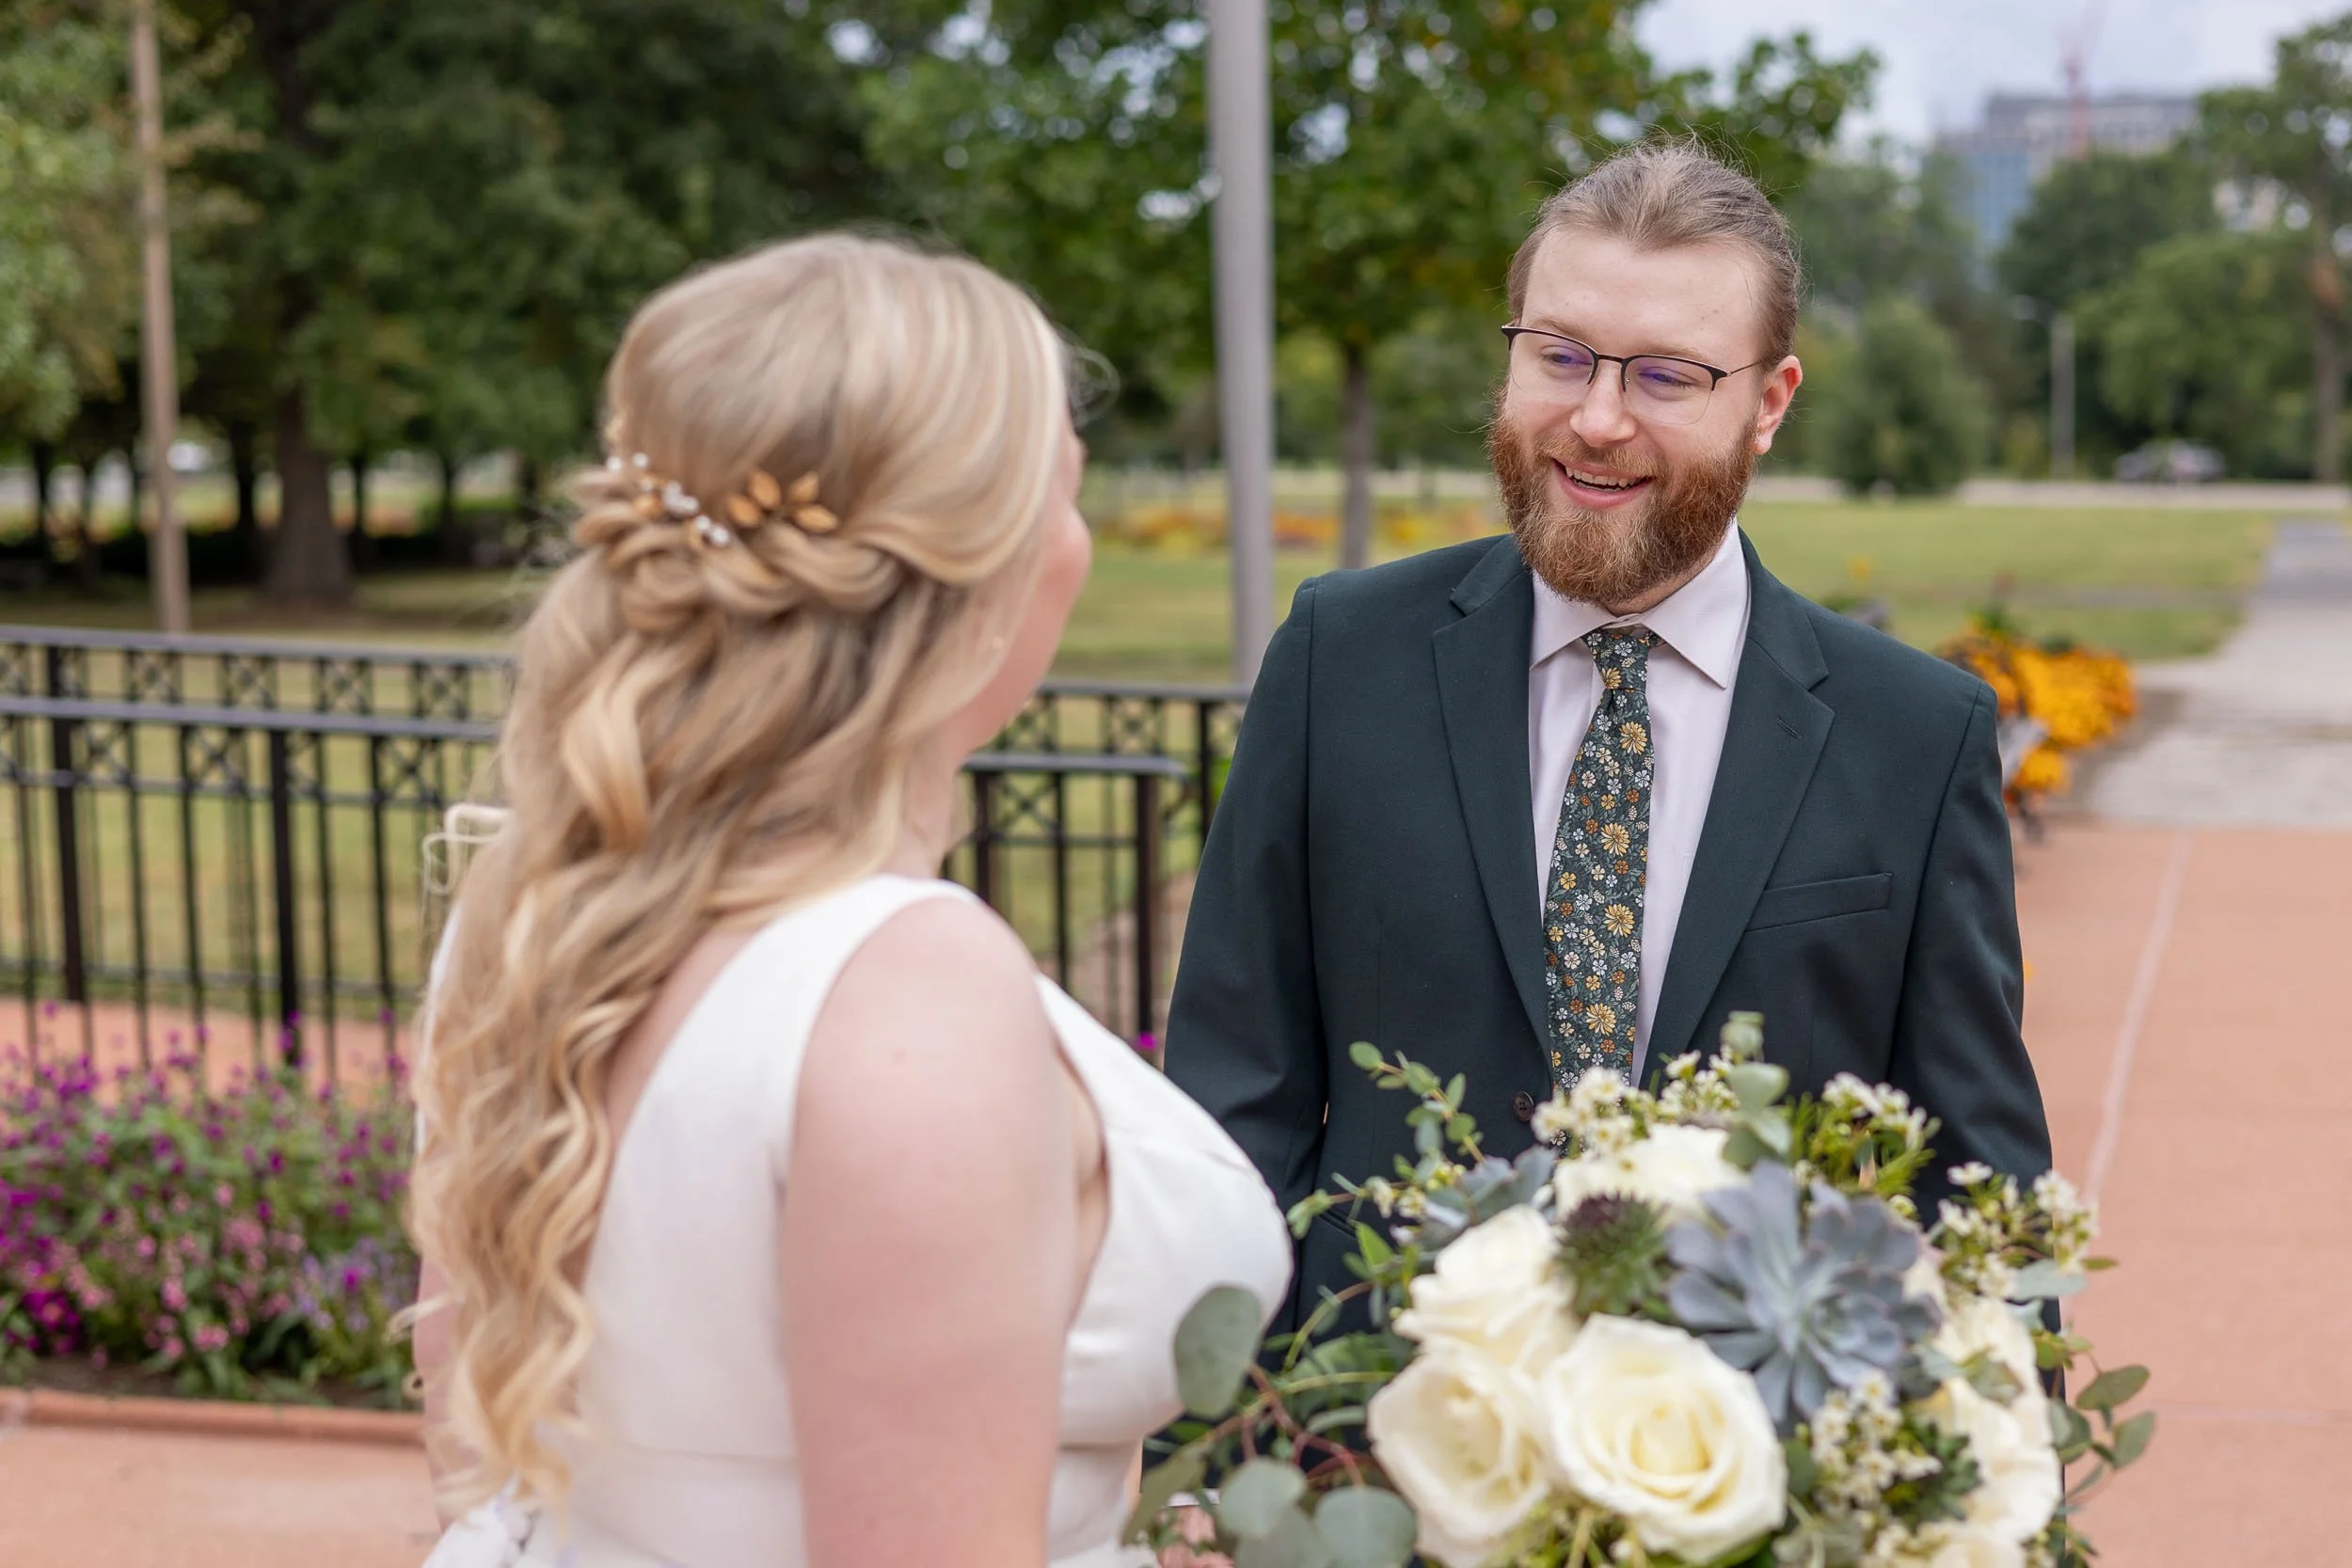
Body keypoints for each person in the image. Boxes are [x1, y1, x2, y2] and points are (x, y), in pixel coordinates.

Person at [407, 235, 1290, 1568]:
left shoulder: (535, 902)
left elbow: (475, 1432)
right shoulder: (908, 990)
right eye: (1065, 492)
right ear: (979, 572)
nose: (1081, 541)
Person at [1167, 140, 2054, 1338]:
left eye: (1664, 377)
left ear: (1769, 404)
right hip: (1367, 1470)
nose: (1593, 420)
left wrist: (2003, 1502)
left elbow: (1976, 1187)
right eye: (1561, 356)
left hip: (1754, 1485)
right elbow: (1234, 1101)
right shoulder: (1340, 659)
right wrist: (1219, 1461)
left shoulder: (1914, 734)